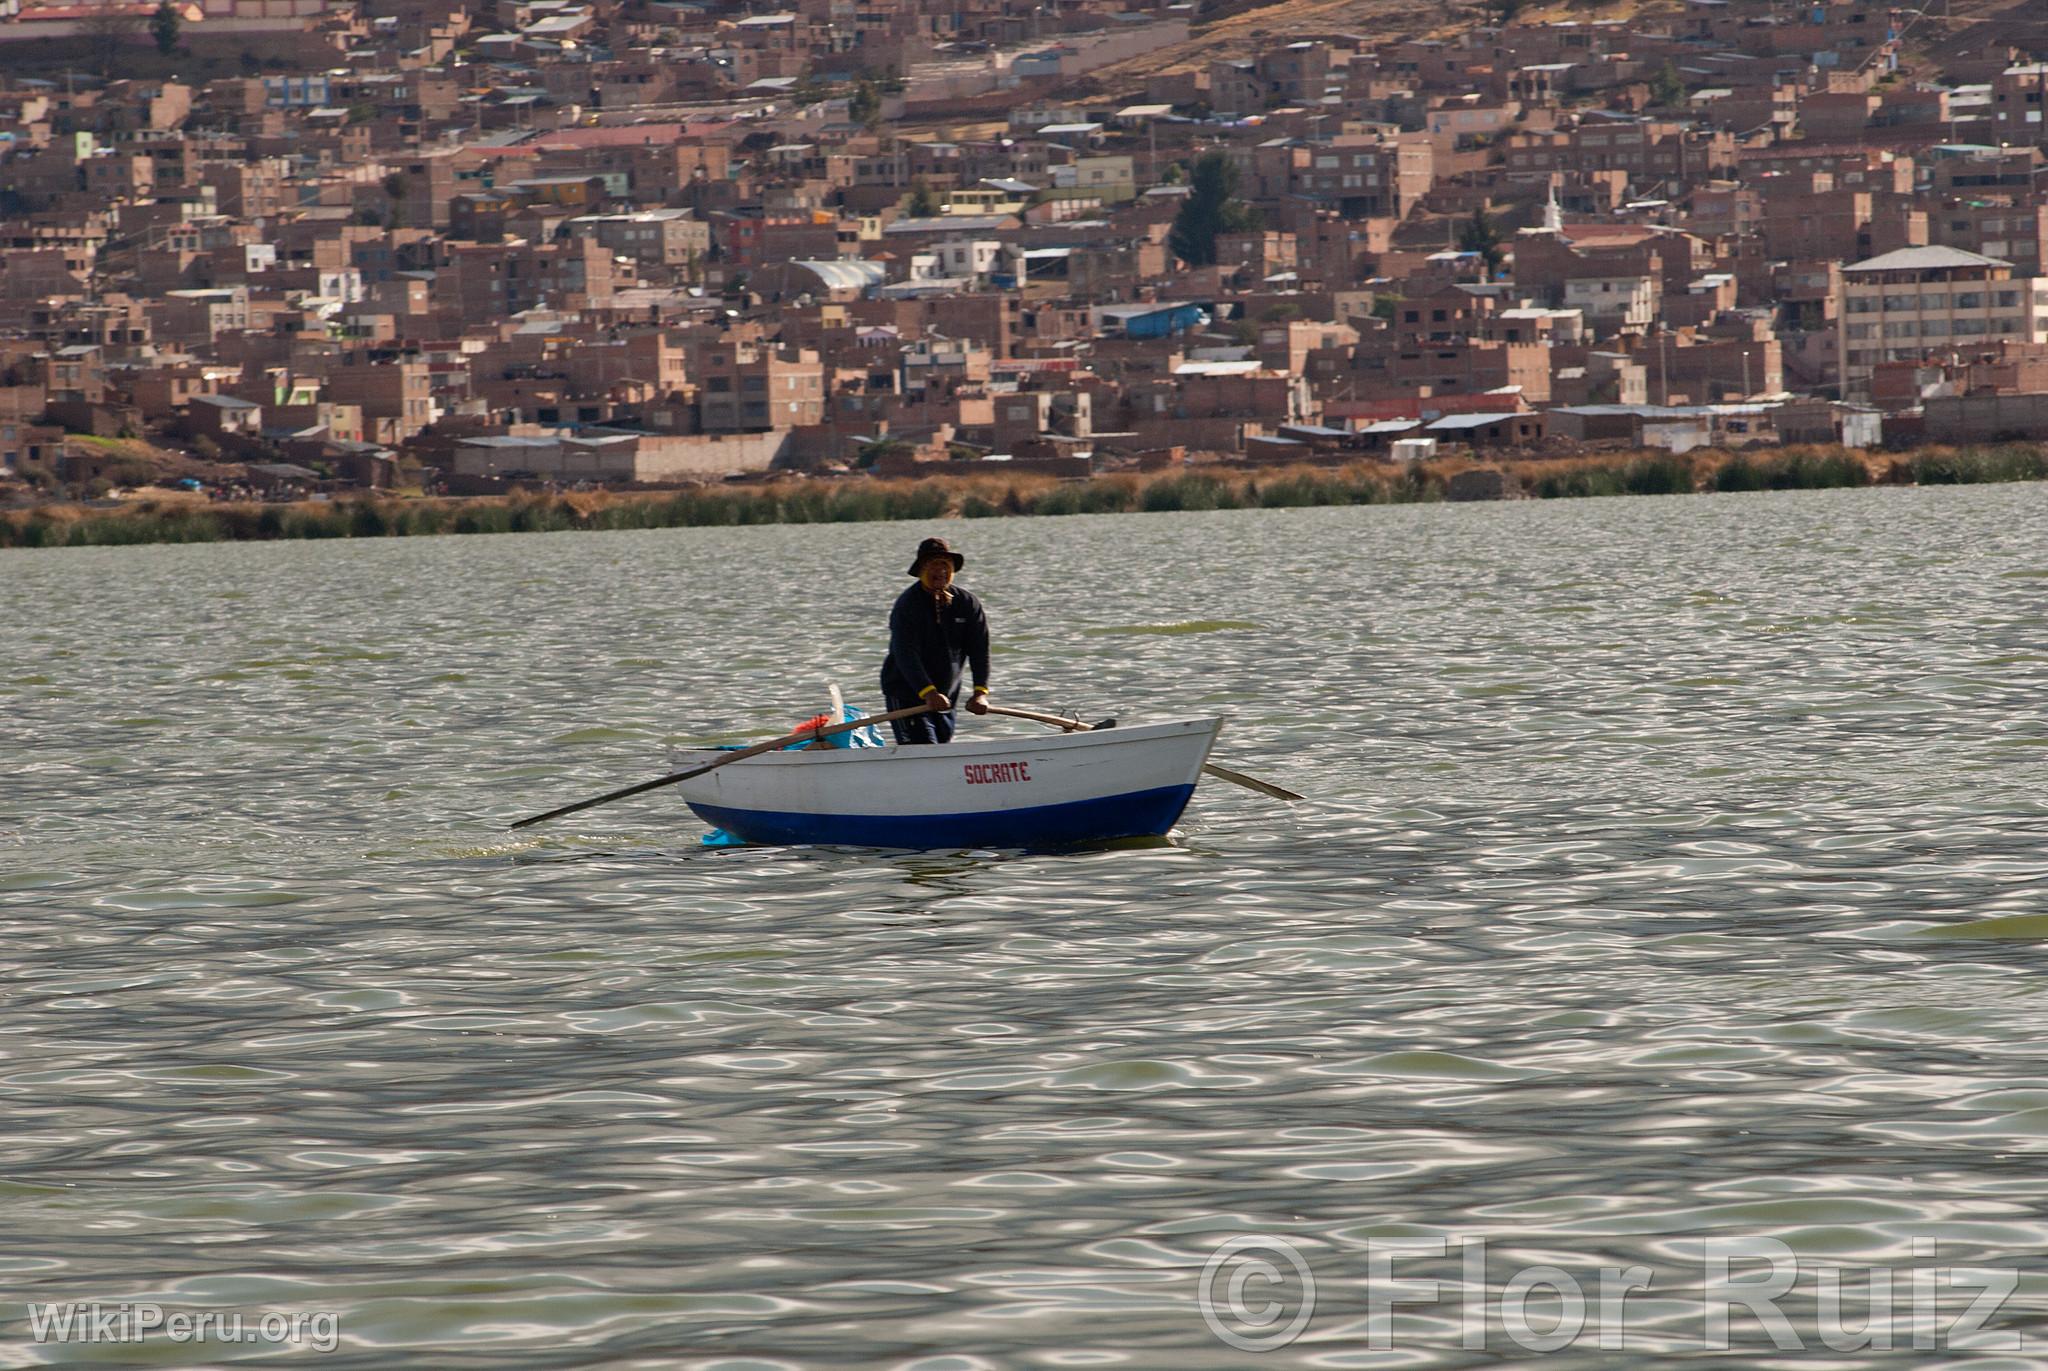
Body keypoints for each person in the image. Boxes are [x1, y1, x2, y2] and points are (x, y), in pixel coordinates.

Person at [880, 536, 990, 744]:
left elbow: (979, 651)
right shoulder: (907, 605)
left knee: (941, 749)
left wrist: (980, 692)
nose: (939, 570)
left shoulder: (967, 603)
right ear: (921, 570)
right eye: (932, 564)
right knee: (924, 748)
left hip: (947, 697)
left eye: (944, 564)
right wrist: (928, 692)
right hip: (908, 695)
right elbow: (906, 654)